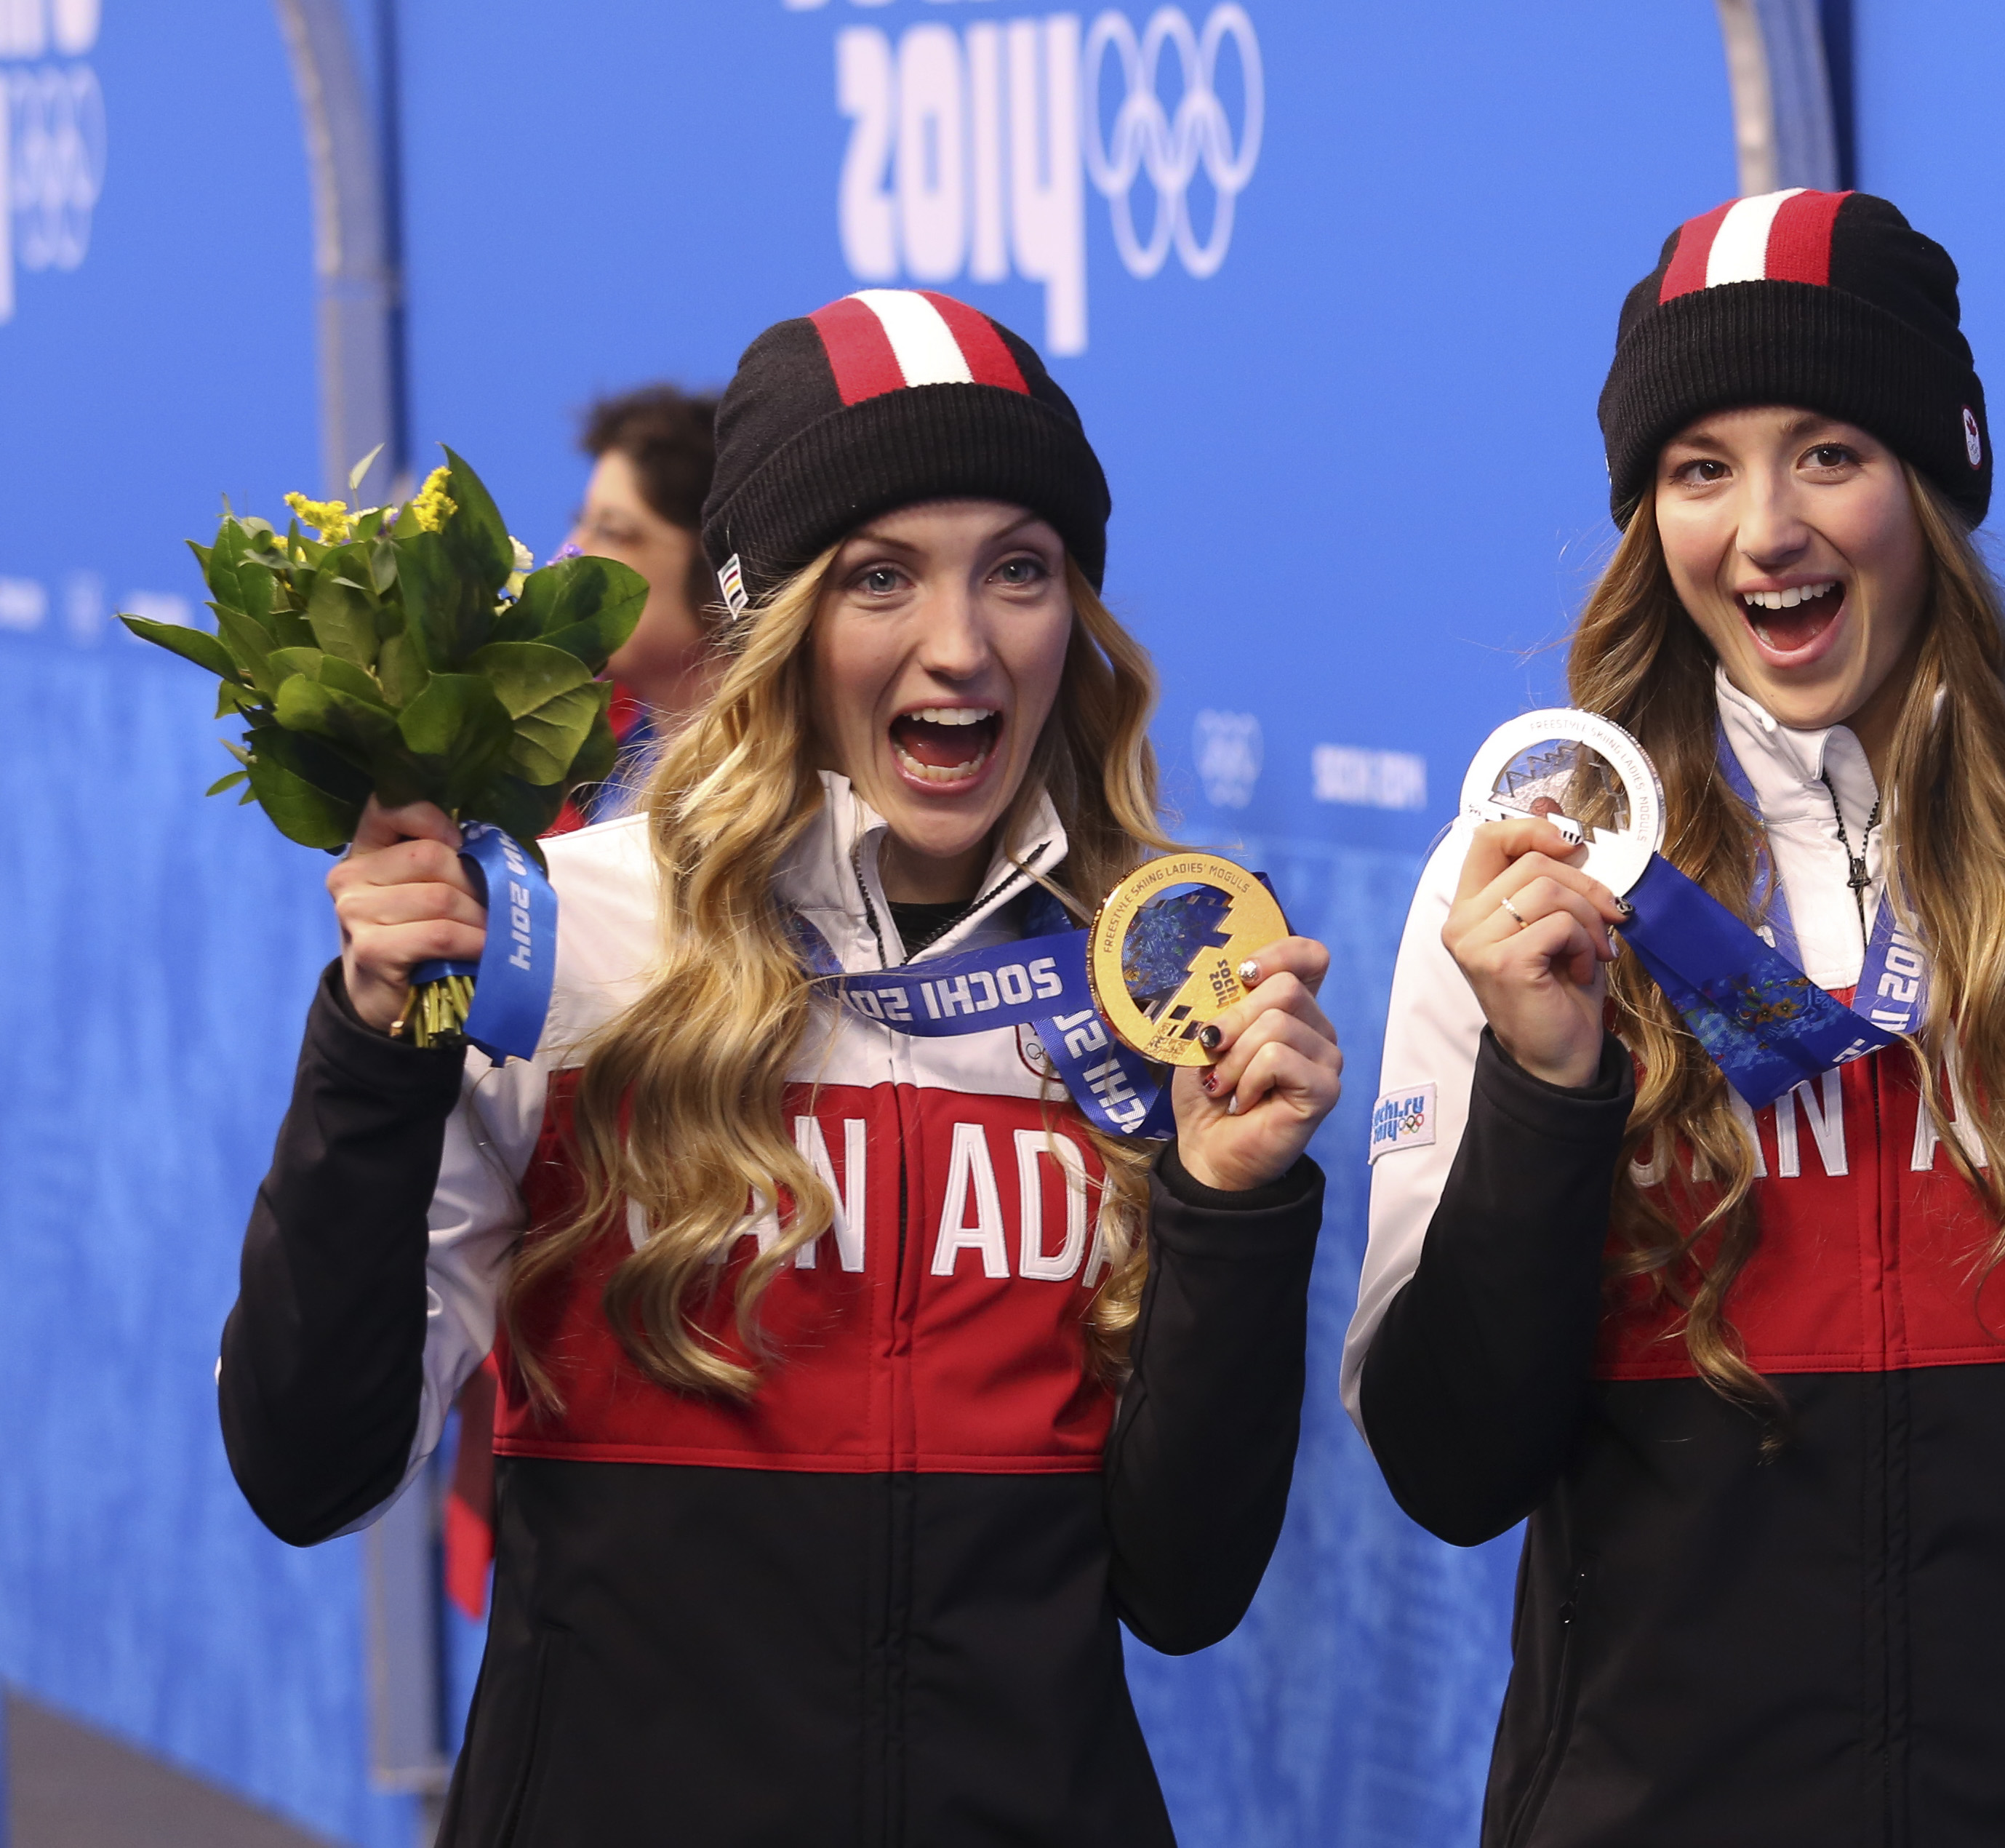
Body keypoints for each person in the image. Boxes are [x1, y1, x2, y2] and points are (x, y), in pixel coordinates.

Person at [219, 289, 1342, 1846]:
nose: (960, 645)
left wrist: (1229, 1202)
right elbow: (307, 1466)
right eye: (880, 576)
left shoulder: (1139, 983)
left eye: (1017, 570)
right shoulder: (566, 942)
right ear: (776, 617)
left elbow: (1180, 1589)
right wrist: (371, 1053)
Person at [1344, 190, 2005, 1844]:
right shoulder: (1533, 882)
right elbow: (1448, 1470)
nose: (1760, 530)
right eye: (1697, 468)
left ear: (1932, 488)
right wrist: (1546, 1087)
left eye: (1827, 452)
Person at [564, 383, 724, 820]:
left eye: (612, 532)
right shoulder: (612, 765)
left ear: (720, 570)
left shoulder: (781, 803)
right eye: (582, 524)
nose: (568, 556)